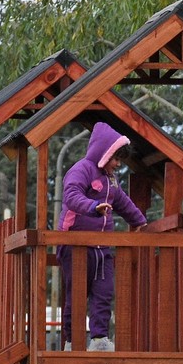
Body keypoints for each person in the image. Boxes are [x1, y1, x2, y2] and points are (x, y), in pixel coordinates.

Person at [57, 121, 148, 350]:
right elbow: (71, 195)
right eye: (115, 158)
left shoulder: (111, 180)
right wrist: (92, 207)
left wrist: (139, 222)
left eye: (120, 160)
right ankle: (72, 341)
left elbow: (123, 203)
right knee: (77, 294)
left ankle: (99, 339)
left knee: (104, 292)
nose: (117, 164)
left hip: (102, 246)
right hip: (75, 243)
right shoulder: (82, 169)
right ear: (104, 153)